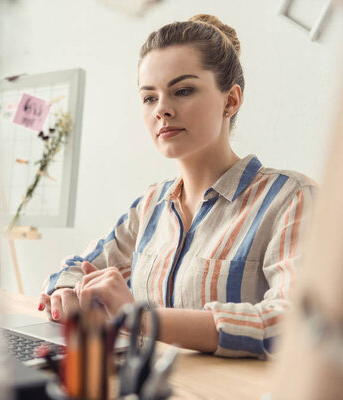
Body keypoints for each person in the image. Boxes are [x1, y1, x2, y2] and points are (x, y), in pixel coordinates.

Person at [37, 14, 316, 358]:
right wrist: (67, 291)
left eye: (182, 91)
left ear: (231, 101)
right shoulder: (151, 204)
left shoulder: (291, 199)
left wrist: (142, 319)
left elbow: (294, 322)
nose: (162, 110)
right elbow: (73, 270)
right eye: (149, 97)